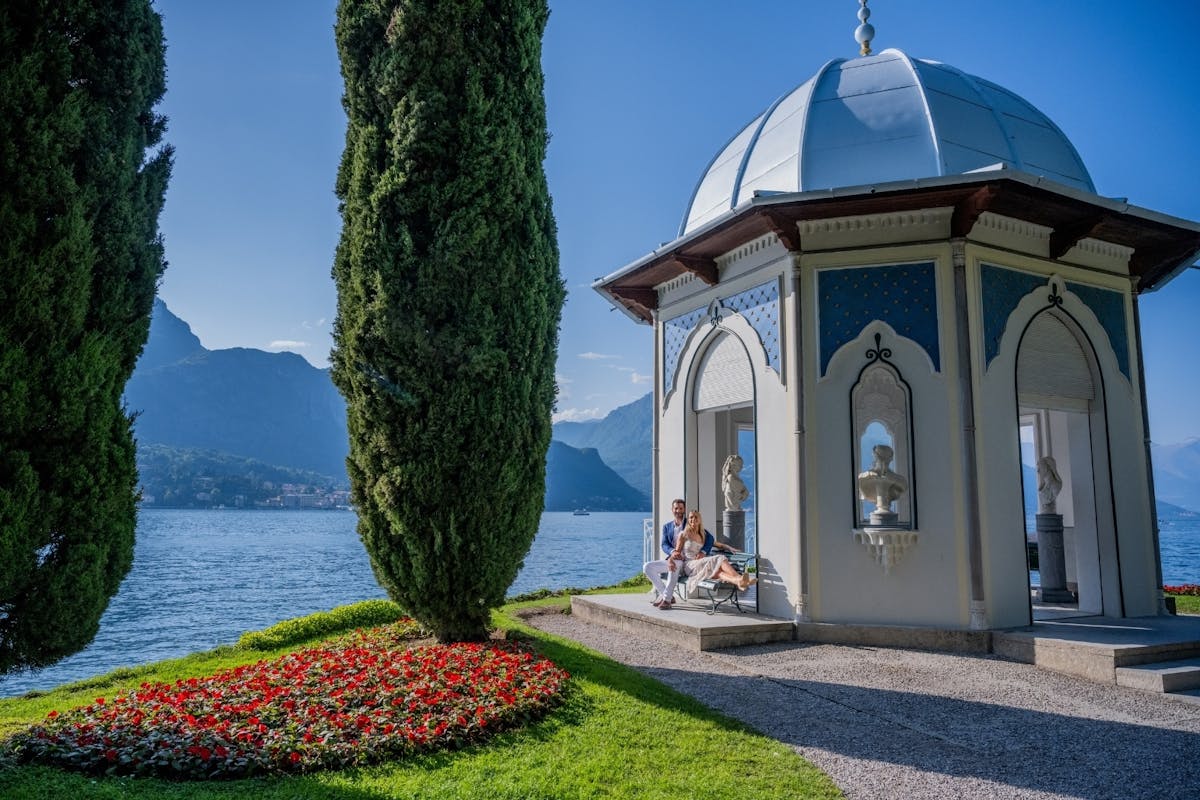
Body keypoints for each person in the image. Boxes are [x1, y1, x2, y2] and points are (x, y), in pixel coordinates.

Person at [658, 509, 753, 609]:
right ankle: (739, 578)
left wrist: (729, 548)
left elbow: (718, 544)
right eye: (691, 517)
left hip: (701, 564)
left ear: (699, 520)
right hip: (689, 565)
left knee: (718, 573)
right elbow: (676, 552)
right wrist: (670, 561)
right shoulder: (683, 534)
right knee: (720, 557)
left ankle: (738, 582)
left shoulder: (703, 535)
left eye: (695, 517)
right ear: (688, 519)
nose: (693, 519)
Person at [643, 498, 693, 605]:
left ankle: (666, 600)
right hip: (673, 558)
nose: (678, 511)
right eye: (676, 508)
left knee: (673, 564)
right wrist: (672, 551)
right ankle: (667, 596)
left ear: (684, 510)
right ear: (672, 509)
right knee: (647, 567)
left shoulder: (691, 524)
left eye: (680, 508)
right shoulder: (667, 526)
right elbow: (664, 544)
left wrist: (703, 551)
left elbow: (710, 538)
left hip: (687, 562)